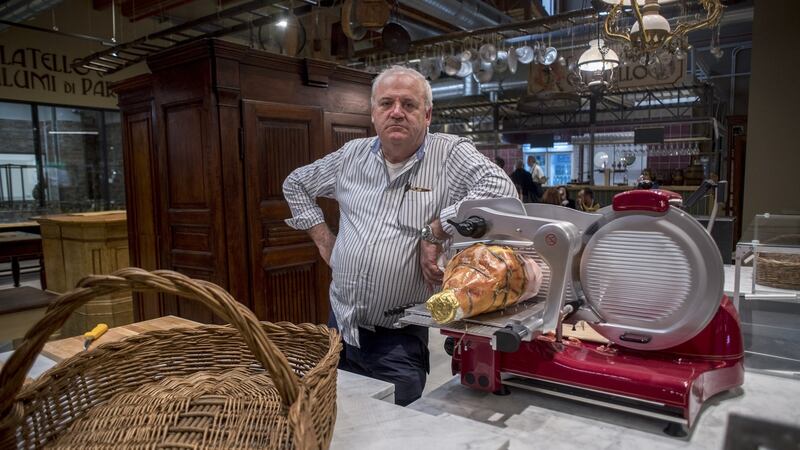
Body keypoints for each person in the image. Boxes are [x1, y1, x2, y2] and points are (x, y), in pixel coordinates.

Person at [283, 66, 516, 406]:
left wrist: (436, 229)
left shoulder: (449, 153)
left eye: (408, 104)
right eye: (386, 103)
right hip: (339, 326)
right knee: (339, 421)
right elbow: (296, 183)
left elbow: (500, 191)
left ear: (427, 114)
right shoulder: (351, 156)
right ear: (373, 112)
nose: (397, 112)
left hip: (398, 338)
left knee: (394, 429)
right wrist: (323, 240)